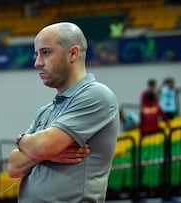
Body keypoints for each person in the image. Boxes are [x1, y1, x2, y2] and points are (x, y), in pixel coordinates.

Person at [7, 22, 119, 203]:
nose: (37, 63)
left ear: (73, 53)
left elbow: (44, 146)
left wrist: (25, 143)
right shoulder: (45, 111)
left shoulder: (96, 95)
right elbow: (13, 166)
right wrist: (44, 152)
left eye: (45, 52)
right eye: (36, 54)